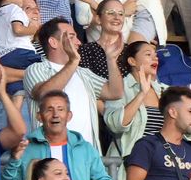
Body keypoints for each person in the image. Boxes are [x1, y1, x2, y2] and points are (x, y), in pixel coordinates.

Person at [0, 91, 115, 180]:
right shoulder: (27, 147)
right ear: (39, 116)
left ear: (69, 116)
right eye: (49, 109)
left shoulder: (84, 148)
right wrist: (14, 160)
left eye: (60, 109)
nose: (55, 114)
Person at [25, 18, 122, 151]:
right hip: (50, 157)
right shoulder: (36, 69)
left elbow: (114, 92)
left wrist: (111, 60)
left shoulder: (84, 73)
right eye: (71, 37)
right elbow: (44, 94)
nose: (78, 42)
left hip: (86, 156)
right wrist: (73, 61)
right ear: (53, 42)